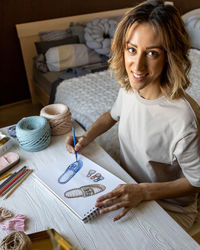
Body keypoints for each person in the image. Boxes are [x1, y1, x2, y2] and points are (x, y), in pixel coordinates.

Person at [66, 0, 200, 231]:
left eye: (152, 53)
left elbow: (195, 182)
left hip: (169, 207)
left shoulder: (184, 118)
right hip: (127, 185)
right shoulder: (130, 87)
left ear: (170, 56)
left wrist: (143, 191)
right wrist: (87, 137)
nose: (137, 66)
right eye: (132, 49)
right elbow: (111, 115)